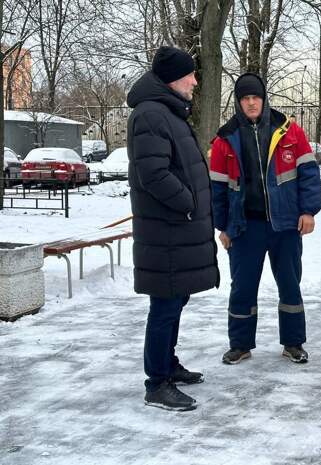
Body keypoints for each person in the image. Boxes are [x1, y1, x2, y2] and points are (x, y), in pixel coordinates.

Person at [127, 46, 220, 411]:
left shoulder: (166, 112)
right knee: (164, 305)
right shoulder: (151, 114)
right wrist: (189, 203)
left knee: (175, 299)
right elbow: (153, 174)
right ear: (172, 78)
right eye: (190, 75)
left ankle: (169, 365)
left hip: (175, 229)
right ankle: (157, 382)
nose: (196, 81)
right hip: (166, 230)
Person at [210, 72, 321, 365]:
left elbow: (309, 174)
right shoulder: (224, 138)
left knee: (289, 283)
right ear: (238, 102)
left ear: (264, 99)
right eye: (245, 98)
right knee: (243, 286)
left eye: (255, 97)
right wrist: (222, 227)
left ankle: (293, 343)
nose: (251, 103)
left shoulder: (290, 131)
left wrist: (308, 210)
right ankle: (240, 344)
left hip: (285, 224)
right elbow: (218, 188)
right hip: (245, 226)